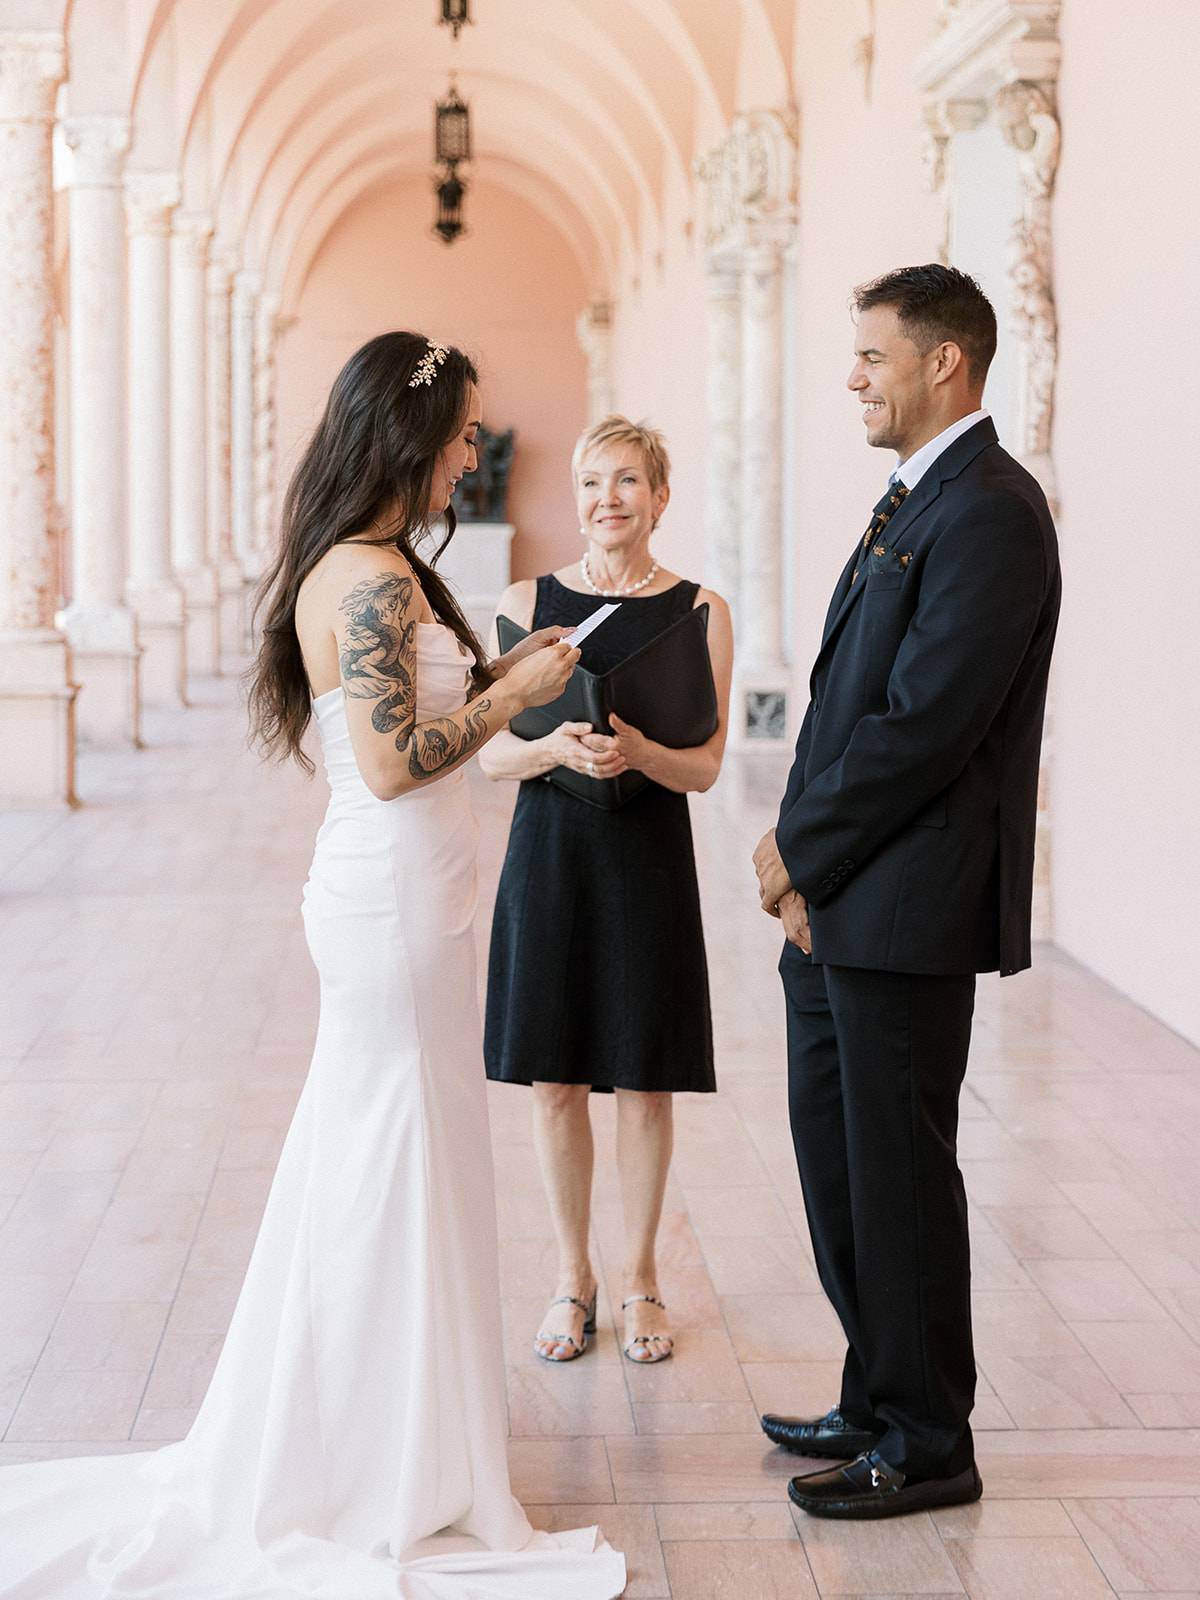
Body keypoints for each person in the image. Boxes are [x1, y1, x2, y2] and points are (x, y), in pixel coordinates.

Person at [0, 332, 625, 1600]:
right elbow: (396, 761)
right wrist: (519, 700)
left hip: (425, 894)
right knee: (389, 1160)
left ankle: (416, 1446)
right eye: (458, 439)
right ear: (406, 441)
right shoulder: (363, 581)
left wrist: (504, 670)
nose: (469, 459)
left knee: (416, 1158)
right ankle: (368, 1463)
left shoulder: (394, 568)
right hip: (391, 903)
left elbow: (415, 726)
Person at [753, 266, 1061, 1520]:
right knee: (840, 1166)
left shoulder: (992, 510)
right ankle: (878, 1389)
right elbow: (846, 696)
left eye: (872, 357)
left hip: (902, 903)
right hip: (839, 905)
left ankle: (930, 1437)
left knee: (901, 1175)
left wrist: (794, 848)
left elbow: (924, 724)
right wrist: (805, 870)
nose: (853, 378)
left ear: (945, 363)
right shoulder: (915, 498)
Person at [479, 415, 733, 1367]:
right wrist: (551, 747)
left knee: (646, 1081)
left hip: (645, 851)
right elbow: (488, 752)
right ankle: (571, 1277)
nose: (608, 500)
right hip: (549, 850)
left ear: (660, 497)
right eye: (592, 482)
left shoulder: (702, 610)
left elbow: (705, 768)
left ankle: (639, 1281)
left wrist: (641, 754)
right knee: (555, 1079)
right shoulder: (522, 603)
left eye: (628, 481)